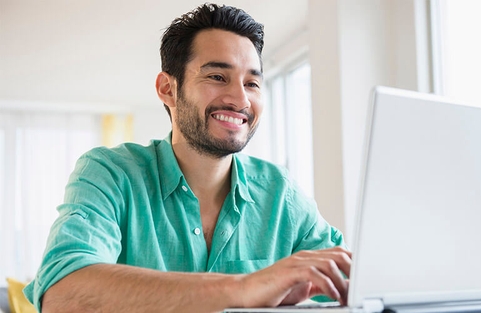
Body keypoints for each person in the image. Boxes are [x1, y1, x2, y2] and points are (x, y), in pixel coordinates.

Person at [24, 3, 351, 313]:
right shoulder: (110, 173)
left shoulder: (283, 194)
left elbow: (356, 283)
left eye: (252, 83)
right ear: (168, 89)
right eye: (217, 77)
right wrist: (245, 289)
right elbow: (62, 294)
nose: (240, 98)